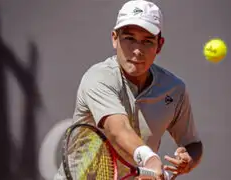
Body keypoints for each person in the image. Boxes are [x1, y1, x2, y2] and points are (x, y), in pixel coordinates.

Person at [54, 0, 203, 179]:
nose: (137, 50)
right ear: (115, 39)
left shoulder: (174, 89)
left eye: (147, 41)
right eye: (129, 38)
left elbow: (193, 144)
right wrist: (150, 159)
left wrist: (189, 159)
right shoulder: (98, 78)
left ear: (159, 45)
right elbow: (118, 129)